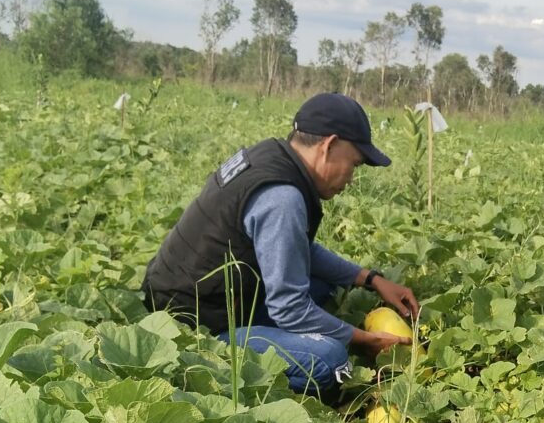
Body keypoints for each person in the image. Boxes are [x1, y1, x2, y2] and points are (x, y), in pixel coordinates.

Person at [141, 93, 419, 396]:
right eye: (354, 164)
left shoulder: (271, 155)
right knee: (328, 360)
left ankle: (272, 336)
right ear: (328, 146)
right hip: (195, 326)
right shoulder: (282, 198)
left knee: (324, 285)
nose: (351, 178)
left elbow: (294, 247)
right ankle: (216, 360)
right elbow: (290, 309)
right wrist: (364, 339)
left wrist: (370, 279)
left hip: (192, 293)